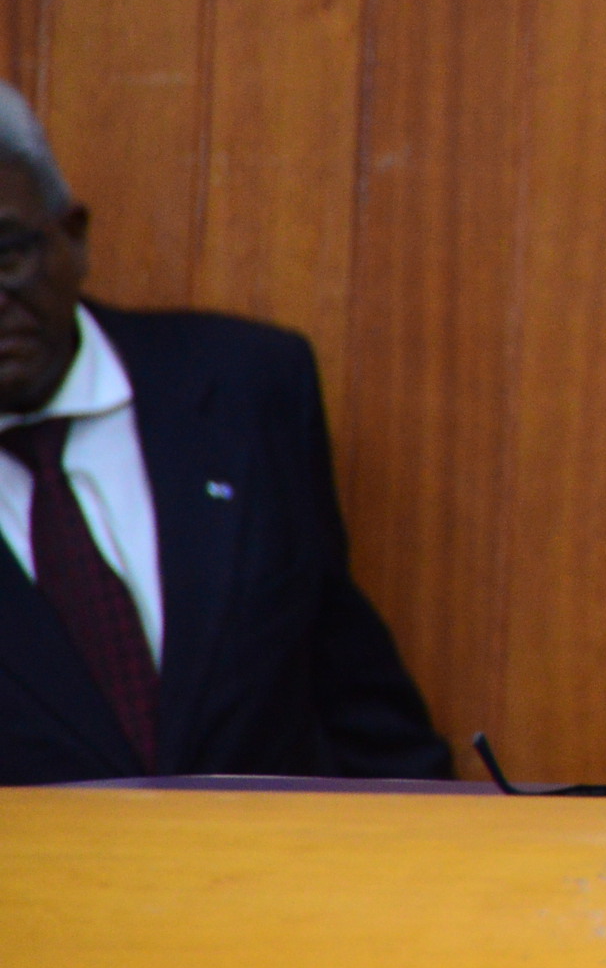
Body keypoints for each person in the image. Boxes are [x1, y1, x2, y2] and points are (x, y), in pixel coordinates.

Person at [0, 85, 450, 784]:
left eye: (6, 255)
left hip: (274, 851)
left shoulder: (245, 388)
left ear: (73, 236)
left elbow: (353, 693)